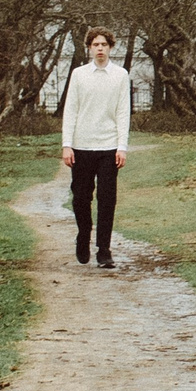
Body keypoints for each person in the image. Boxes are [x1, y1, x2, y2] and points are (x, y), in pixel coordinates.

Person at [59, 28, 131, 267]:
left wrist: (122, 146)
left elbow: (123, 112)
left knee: (107, 198)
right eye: (95, 44)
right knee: (81, 197)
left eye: (104, 44)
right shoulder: (79, 75)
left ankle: (104, 249)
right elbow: (71, 110)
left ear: (110, 47)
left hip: (109, 147)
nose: (100, 48)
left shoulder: (120, 75)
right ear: (89, 48)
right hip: (81, 146)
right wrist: (67, 145)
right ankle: (83, 236)